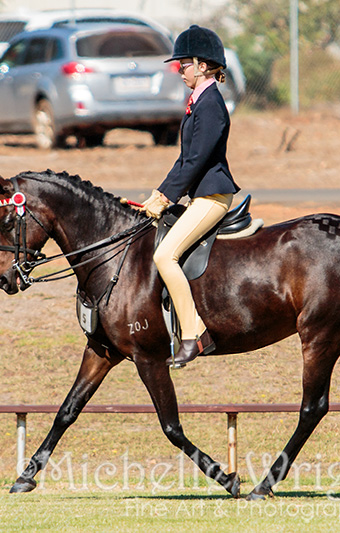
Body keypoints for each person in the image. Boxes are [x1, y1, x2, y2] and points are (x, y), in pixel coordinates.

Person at [138, 25, 240, 368]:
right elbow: (184, 160)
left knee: (165, 256)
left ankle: (194, 334)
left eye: (183, 64)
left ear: (202, 65)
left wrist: (165, 197)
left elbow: (196, 161)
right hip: (199, 195)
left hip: (213, 197)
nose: (179, 70)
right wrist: (158, 193)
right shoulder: (198, 102)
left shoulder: (210, 104)